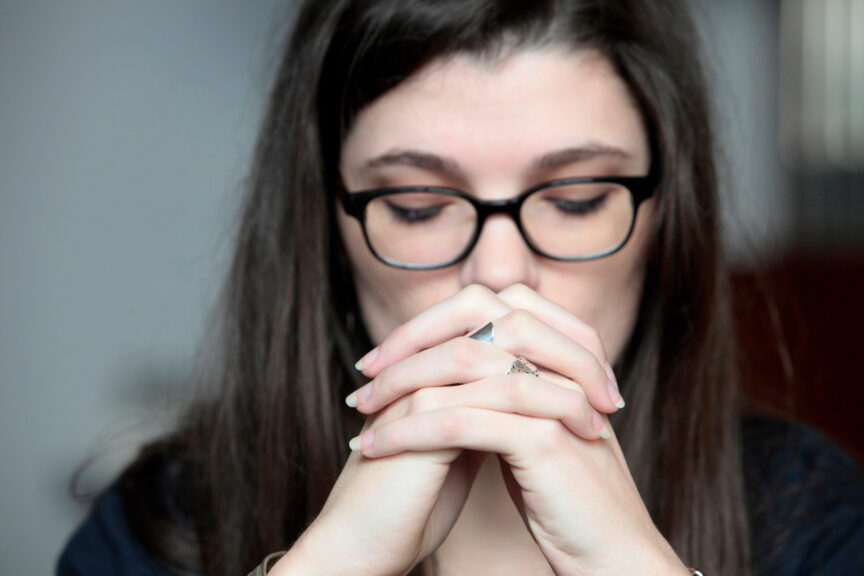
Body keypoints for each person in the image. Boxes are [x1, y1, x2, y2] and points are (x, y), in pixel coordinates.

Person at [57, 1, 864, 575]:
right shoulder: (151, 530)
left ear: (666, 223)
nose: (501, 273)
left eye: (577, 198)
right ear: (327, 230)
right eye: (417, 206)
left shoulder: (811, 517)